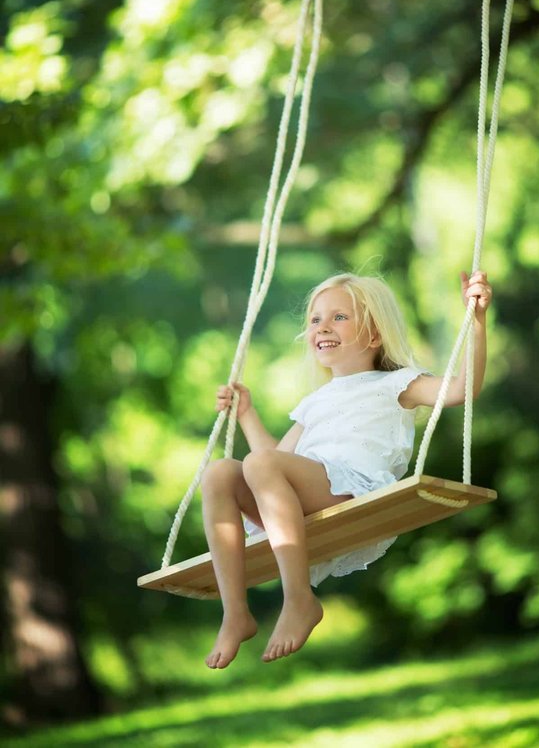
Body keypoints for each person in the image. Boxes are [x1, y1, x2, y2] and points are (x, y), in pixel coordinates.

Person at [202, 270, 493, 669]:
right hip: (299, 497)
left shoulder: (397, 383)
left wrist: (475, 321)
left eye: (339, 317)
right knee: (219, 473)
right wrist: (248, 416)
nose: (322, 326)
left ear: (374, 335)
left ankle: (299, 597)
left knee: (259, 464)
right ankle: (236, 612)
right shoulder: (315, 402)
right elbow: (272, 461)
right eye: (315, 319)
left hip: (353, 489)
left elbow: (462, 389)